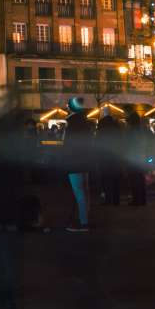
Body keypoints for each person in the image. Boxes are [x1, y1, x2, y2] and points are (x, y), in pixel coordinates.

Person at [63, 96, 92, 232]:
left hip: (74, 161)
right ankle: (86, 219)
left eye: (68, 106)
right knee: (84, 192)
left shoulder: (71, 123)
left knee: (79, 192)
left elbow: (67, 145)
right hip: (85, 160)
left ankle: (83, 222)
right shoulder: (85, 122)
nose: (66, 108)